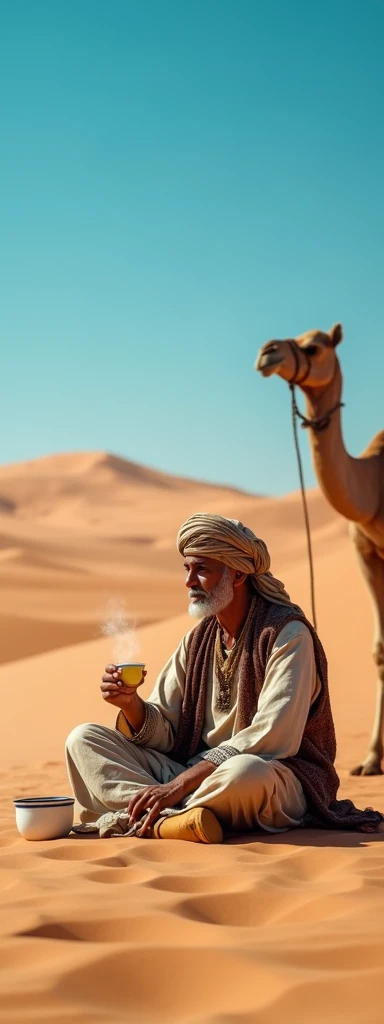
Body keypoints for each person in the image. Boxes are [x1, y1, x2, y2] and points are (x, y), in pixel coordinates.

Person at [66, 513, 384, 842]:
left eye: (201, 569)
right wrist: (131, 705)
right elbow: (167, 733)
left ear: (238, 573)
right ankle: (173, 820)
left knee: (245, 772)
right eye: (187, 568)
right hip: (195, 777)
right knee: (83, 740)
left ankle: (153, 815)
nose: (189, 581)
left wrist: (178, 786)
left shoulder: (287, 634)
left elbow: (273, 738)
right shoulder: (198, 640)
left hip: (277, 778)